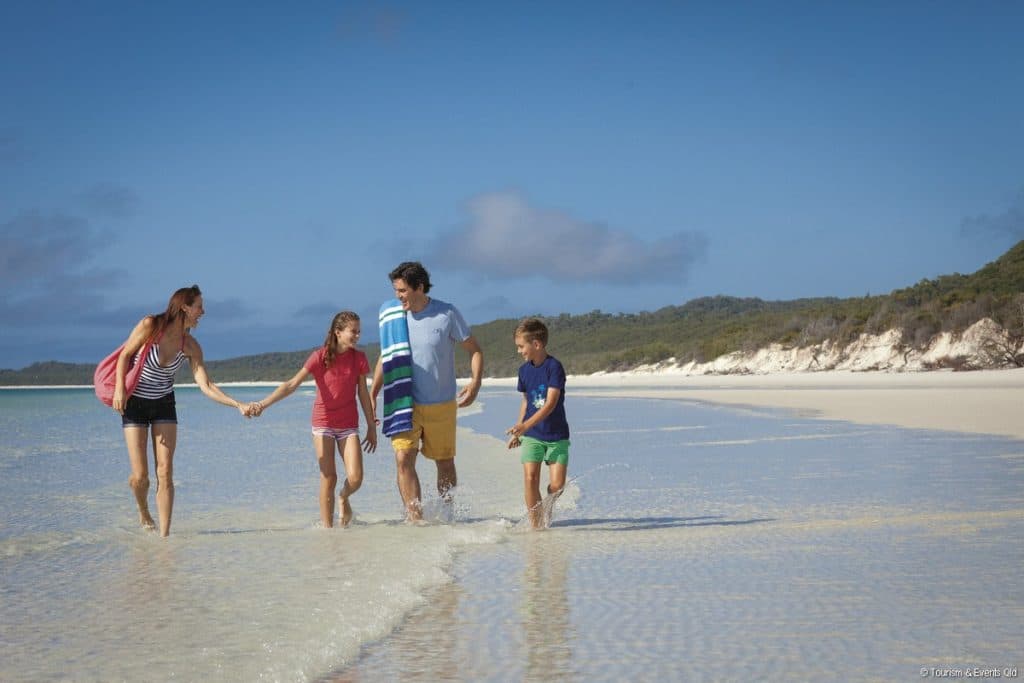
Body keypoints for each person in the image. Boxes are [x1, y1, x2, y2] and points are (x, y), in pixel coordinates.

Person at [112, 285, 252, 537]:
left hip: (164, 403)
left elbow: (206, 385)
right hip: (135, 403)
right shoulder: (150, 326)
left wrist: (237, 404)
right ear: (185, 307)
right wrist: (119, 390)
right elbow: (124, 356)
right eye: (199, 306)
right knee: (140, 476)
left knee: (165, 471)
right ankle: (143, 509)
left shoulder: (191, 346)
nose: (203, 312)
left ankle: (165, 538)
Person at [371, 261, 484, 522]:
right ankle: (416, 519)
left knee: (444, 462)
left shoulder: (447, 313)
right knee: (403, 459)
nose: (398, 296)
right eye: (395, 291)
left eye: (402, 290)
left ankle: (447, 511)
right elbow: (387, 355)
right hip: (403, 402)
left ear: (419, 287)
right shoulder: (394, 315)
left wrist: (475, 382)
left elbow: (475, 349)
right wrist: (372, 392)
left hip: (440, 403)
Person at [249, 311, 377, 527]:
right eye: (353, 331)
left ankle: (343, 497)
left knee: (355, 478)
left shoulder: (359, 358)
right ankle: (328, 533)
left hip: (348, 424)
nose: (357, 336)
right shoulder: (319, 356)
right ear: (338, 332)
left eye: (359, 332)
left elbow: (363, 393)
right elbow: (291, 384)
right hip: (323, 422)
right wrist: (263, 404)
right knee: (329, 477)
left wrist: (371, 426)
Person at [505, 318, 570, 529]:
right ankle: (536, 526)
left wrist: (524, 425)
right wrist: (519, 429)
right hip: (531, 435)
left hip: (557, 435)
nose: (518, 351)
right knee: (530, 478)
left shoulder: (554, 367)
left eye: (521, 346)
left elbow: (550, 404)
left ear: (536, 344)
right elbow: (526, 401)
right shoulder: (523, 371)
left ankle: (547, 507)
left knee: (558, 486)